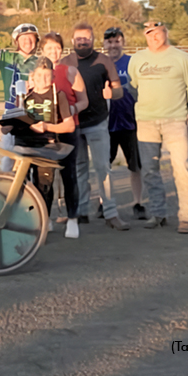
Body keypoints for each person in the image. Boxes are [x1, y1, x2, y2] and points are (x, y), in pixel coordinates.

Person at [128, 22, 188, 234]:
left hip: (175, 121)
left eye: (157, 33)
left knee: (181, 168)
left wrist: (183, 109)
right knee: (150, 170)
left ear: (165, 33)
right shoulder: (138, 59)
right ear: (145, 36)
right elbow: (132, 87)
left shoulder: (181, 58)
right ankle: (158, 213)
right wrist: (143, 106)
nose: (154, 37)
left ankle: (186, 216)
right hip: (146, 121)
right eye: (149, 34)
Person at [60, 22, 129, 230]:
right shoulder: (65, 62)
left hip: (97, 122)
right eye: (79, 38)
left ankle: (110, 213)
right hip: (75, 124)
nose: (83, 41)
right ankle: (81, 212)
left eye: (87, 38)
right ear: (73, 40)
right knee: (79, 169)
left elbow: (118, 91)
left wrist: (111, 93)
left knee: (103, 169)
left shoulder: (103, 60)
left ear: (92, 39)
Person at [0, 0, 39, 171]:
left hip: (35, 114)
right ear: (16, 41)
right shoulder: (7, 58)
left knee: (33, 161)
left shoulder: (42, 62)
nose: (28, 41)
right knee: (8, 159)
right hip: (12, 114)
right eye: (24, 38)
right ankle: (7, 194)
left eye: (31, 38)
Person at [40, 32, 88, 237]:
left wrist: (70, 110)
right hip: (45, 132)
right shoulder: (37, 72)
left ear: (62, 49)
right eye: (49, 48)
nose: (53, 51)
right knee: (44, 177)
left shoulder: (70, 71)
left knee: (69, 175)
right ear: (42, 50)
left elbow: (84, 101)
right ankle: (44, 219)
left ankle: (72, 219)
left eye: (57, 47)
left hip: (68, 129)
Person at [102, 27, 146, 220]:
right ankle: (104, 203)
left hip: (130, 122)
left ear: (123, 42)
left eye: (117, 41)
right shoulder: (99, 64)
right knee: (105, 167)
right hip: (106, 124)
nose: (113, 45)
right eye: (110, 42)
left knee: (135, 166)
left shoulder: (132, 62)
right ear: (104, 44)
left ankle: (138, 202)